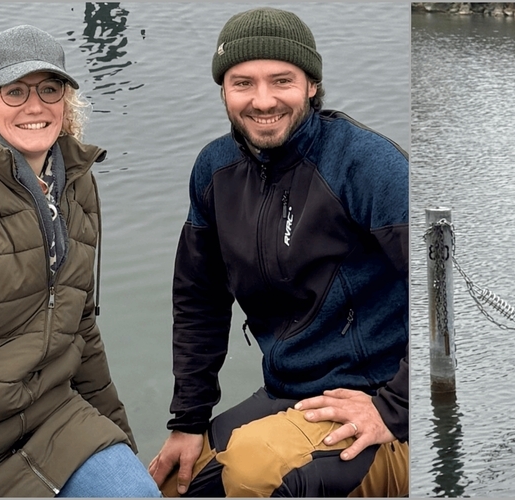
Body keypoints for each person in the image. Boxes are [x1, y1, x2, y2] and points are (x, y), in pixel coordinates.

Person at [148, 7, 409, 497]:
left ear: (311, 84)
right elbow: (199, 299)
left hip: (379, 401)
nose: (262, 100)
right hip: (289, 390)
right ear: (223, 90)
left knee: (253, 471)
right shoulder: (214, 170)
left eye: (281, 80)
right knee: (175, 482)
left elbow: (442, 295)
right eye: (242, 82)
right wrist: (188, 417)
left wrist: (394, 409)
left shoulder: (368, 166)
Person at [0, 25, 160, 497]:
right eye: (15, 91)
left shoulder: (76, 182)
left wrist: (123, 445)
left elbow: (80, 327)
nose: (35, 106)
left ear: (67, 103)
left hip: (53, 417)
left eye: (50, 89)